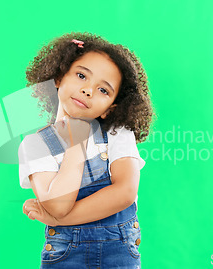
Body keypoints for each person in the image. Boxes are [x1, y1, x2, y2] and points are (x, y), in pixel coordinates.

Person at [18, 32, 154, 268]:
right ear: (59, 77)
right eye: (81, 75)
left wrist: (60, 220)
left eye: (104, 90)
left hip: (119, 254)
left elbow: (125, 192)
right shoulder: (36, 144)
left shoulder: (117, 134)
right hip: (64, 256)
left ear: (108, 110)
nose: (88, 90)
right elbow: (58, 205)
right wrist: (76, 144)